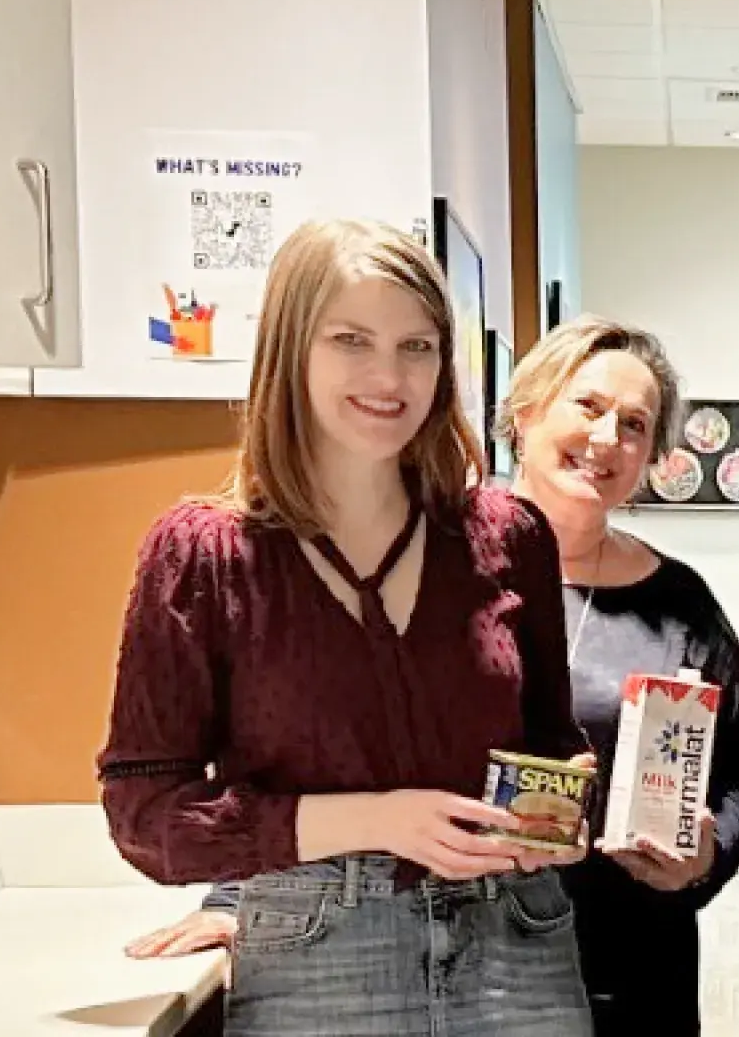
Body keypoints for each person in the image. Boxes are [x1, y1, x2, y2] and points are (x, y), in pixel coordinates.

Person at [126, 317, 739, 1037]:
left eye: (635, 424)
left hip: (632, 958)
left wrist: (706, 858)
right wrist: (233, 902)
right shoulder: (422, 570)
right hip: (438, 951)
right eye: (587, 406)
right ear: (525, 413)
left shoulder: (680, 603)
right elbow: (315, 738)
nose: (608, 438)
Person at [96, 218, 593, 1037]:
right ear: (292, 350)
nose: (388, 376)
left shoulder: (510, 537)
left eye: (418, 346)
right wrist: (372, 820)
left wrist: (555, 815)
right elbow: (146, 813)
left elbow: (550, 742)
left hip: (518, 941)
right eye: (351, 340)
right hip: (318, 953)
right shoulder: (204, 554)